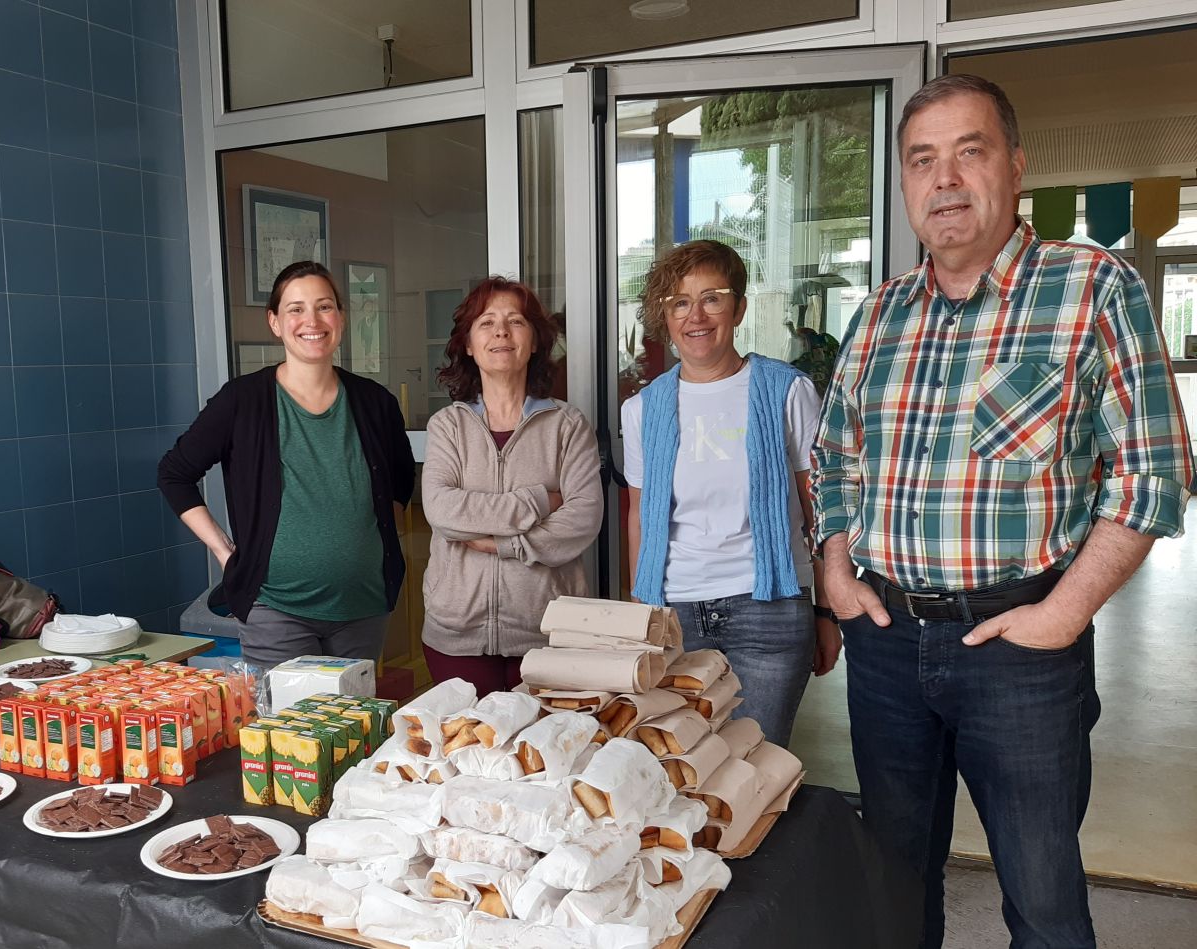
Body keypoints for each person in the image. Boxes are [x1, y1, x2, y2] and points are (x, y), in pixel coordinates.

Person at [811, 74, 1195, 948]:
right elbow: (834, 458)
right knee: (894, 886)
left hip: (1020, 651)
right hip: (885, 643)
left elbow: (1154, 473)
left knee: (1044, 898)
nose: (944, 179)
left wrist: (1065, 613)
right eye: (922, 160)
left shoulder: (1091, 288)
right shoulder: (877, 316)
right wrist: (835, 568)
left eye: (968, 152)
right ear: (905, 184)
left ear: (1016, 167)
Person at [623, 240, 839, 748]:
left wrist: (826, 611)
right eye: (680, 302)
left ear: (738, 309)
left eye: (712, 298)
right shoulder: (643, 409)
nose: (696, 316)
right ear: (666, 317)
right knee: (679, 766)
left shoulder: (787, 391)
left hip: (769, 611)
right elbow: (639, 516)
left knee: (755, 766)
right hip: (675, 615)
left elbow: (821, 510)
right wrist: (641, 613)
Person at [157, 261, 415, 668]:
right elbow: (174, 473)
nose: (312, 321)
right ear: (275, 322)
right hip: (274, 608)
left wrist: (362, 544)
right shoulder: (242, 401)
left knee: (354, 711)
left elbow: (401, 481)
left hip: (363, 606)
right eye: (296, 309)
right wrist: (223, 549)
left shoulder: (375, 402)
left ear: (341, 317)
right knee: (284, 712)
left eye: (324, 306)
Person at [421, 277, 602, 693]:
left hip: (549, 633)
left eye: (515, 321)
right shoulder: (448, 426)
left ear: (534, 341)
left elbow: (583, 518)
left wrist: (503, 544)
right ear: (469, 344)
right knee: (467, 735)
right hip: (456, 635)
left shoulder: (567, 425)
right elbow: (443, 510)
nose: (501, 332)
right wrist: (540, 500)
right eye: (486, 322)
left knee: (547, 738)